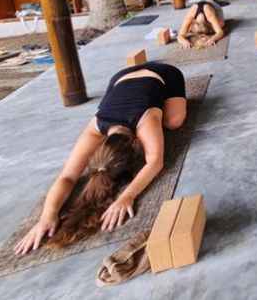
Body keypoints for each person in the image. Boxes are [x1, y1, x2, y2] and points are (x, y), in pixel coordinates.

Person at [14, 62, 187, 255]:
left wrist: (126, 197)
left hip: (163, 73)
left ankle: (160, 98)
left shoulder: (146, 120)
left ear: (137, 142)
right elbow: (67, 177)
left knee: (173, 122)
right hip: (120, 77)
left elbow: (155, 162)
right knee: (164, 122)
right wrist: (47, 216)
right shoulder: (95, 128)